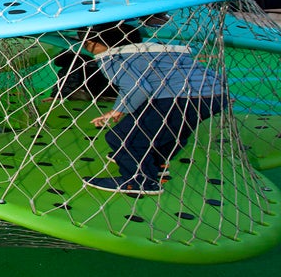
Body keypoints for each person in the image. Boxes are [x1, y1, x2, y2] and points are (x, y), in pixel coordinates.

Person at [78, 22, 227, 196]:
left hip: (179, 98)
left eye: (84, 43)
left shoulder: (111, 58)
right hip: (215, 95)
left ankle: (138, 181)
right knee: (172, 132)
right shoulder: (160, 50)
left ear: (93, 42)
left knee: (121, 137)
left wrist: (118, 109)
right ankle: (156, 164)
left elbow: (137, 88)